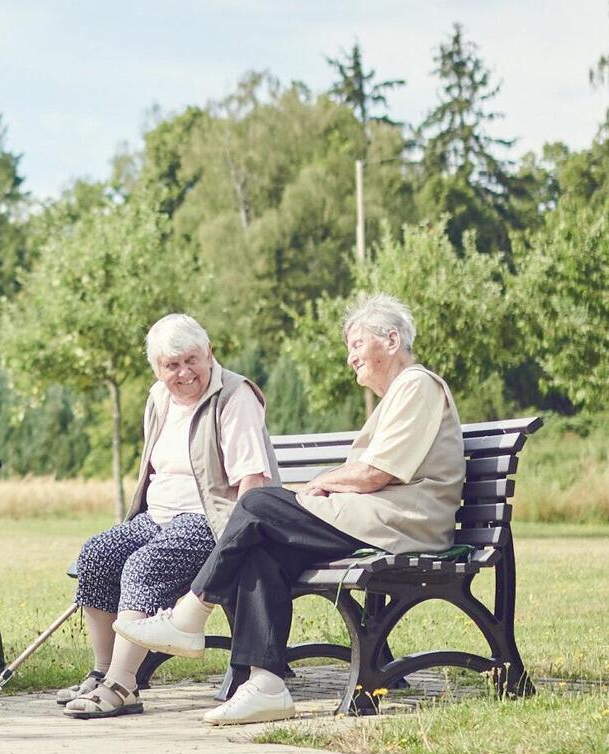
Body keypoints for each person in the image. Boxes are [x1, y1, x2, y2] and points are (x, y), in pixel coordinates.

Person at [116, 294, 466, 726]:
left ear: (392, 340)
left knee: (259, 502)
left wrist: (318, 484)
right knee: (261, 550)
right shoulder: (398, 393)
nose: (350, 356)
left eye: (357, 344)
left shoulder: (417, 384)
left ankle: (191, 614)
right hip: (373, 520)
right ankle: (266, 685)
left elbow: (377, 473)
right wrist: (321, 489)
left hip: (400, 526)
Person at [57, 313, 277, 720]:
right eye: (171, 365)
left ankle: (123, 686)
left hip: (211, 521)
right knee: (97, 555)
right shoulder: (158, 398)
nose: (183, 372)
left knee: (143, 567)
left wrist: (236, 545)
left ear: (210, 353)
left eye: (191, 359)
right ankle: (103, 671)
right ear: (157, 369)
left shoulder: (234, 397)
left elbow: (254, 482)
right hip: (156, 516)